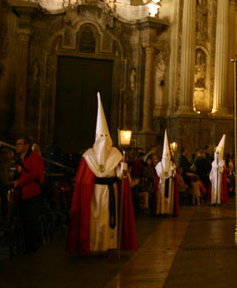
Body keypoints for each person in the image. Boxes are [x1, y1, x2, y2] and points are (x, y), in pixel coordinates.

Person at [67, 93, 136, 256]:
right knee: (94, 218)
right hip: (94, 194)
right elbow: (83, 180)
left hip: (111, 191)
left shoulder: (116, 155)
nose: (104, 140)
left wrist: (123, 171)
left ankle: (109, 245)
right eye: (101, 137)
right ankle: (91, 245)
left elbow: (120, 175)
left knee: (109, 219)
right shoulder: (88, 156)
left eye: (106, 136)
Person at [153, 130, 179, 217]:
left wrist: (172, 172)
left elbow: (174, 174)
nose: (166, 158)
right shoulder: (159, 164)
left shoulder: (172, 164)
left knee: (169, 198)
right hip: (162, 184)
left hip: (169, 184)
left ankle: (168, 211)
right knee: (161, 199)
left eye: (168, 156)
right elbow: (159, 173)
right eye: (165, 156)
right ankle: (160, 211)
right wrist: (164, 174)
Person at [209, 135, 227, 205]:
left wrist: (218, 167)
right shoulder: (213, 162)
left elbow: (222, 169)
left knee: (218, 188)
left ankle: (218, 200)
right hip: (214, 177)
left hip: (219, 176)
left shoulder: (222, 161)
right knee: (214, 188)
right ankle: (213, 200)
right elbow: (212, 169)